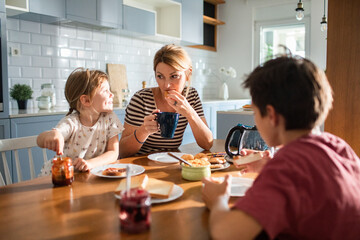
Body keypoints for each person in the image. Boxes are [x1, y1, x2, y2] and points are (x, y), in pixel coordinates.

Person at [202, 56, 360, 240]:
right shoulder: (339, 146)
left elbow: (226, 233)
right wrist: (269, 168)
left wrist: (217, 200)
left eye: (254, 113)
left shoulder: (287, 167)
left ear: (271, 115)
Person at [119, 44, 213, 157]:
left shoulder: (191, 96)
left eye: (174, 76)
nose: (166, 85)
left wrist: (190, 113)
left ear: (188, 74)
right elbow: (122, 151)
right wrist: (143, 131)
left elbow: (207, 144)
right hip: (140, 164)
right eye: (160, 76)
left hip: (171, 162)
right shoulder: (141, 99)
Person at [37, 68, 124, 174]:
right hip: (63, 176)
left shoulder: (110, 119)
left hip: (90, 175)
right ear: (86, 100)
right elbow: (40, 140)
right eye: (105, 91)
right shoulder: (72, 123)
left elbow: (113, 153)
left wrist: (90, 163)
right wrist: (53, 134)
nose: (112, 94)